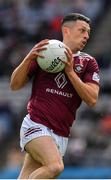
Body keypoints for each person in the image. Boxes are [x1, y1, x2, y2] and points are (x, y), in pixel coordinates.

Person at [10, 13, 100, 179]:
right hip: (36, 124)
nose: (86, 36)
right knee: (55, 166)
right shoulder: (46, 51)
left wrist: (70, 72)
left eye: (88, 32)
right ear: (66, 31)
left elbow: (92, 99)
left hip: (61, 133)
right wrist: (28, 59)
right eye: (82, 30)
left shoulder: (89, 62)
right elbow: (14, 85)